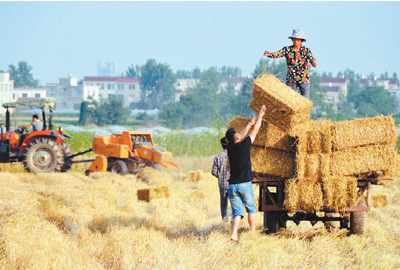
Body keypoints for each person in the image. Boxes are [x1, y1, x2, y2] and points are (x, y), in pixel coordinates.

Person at [225, 105, 266, 242]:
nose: (238, 133)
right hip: (244, 185)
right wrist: (260, 116)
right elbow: (256, 130)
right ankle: (253, 232)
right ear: (237, 137)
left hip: (232, 186)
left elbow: (240, 135)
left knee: (237, 213)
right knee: (251, 209)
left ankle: (234, 234)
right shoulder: (244, 145)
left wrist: (249, 124)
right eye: (237, 132)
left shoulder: (230, 147)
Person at [264, 29, 317, 99]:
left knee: (305, 101)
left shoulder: (306, 51)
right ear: (292, 40)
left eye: (298, 40)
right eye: (294, 39)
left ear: (301, 41)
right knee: (288, 100)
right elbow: (278, 54)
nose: (296, 41)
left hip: (304, 79)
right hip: (291, 79)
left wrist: (313, 63)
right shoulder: (287, 49)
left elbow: (311, 59)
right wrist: (269, 54)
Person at [211, 137, 230, 224]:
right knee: (234, 203)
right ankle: (235, 221)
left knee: (224, 204)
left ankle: (225, 222)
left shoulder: (218, 157)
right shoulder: (234, 156)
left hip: (222, 184)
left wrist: (220, 177)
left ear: (222, 146)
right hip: (233, 184)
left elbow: (214, 172)